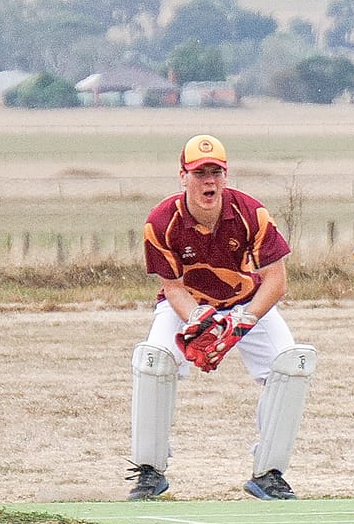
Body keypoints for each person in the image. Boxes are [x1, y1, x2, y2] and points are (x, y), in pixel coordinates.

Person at [126, 133, 317, 502]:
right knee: (154, 360)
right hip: (188, 304)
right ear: (183, 176)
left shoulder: (251, 213)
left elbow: (276, 282)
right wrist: (198, 319)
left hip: (246, 302)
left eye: (215, 172)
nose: (208, 181)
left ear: (226, 176)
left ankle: (268, 473)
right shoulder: (161, 220)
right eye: (199, 173)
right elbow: (173, 287)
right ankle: (149, 472)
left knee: (291, 364)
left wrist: (242, 320)